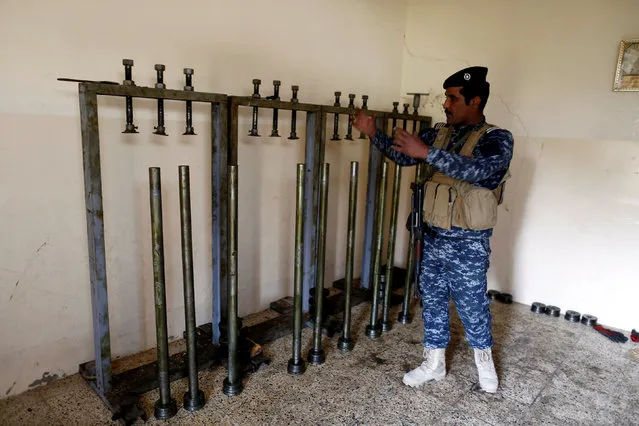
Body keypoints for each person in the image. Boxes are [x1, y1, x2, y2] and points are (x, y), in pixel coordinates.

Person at [351, 66, 514, 393]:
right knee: (433, 301)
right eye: (446, 98)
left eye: (453, 98)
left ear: (475, 100)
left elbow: (481, 171)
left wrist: (426, 153)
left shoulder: (497, 138)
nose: (446, 104)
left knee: (473, 306)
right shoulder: (440, 133)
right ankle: (434, 363)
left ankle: (485, 362)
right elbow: (403, 156)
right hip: (432, 236)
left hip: (468, 242)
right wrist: (373, 133)